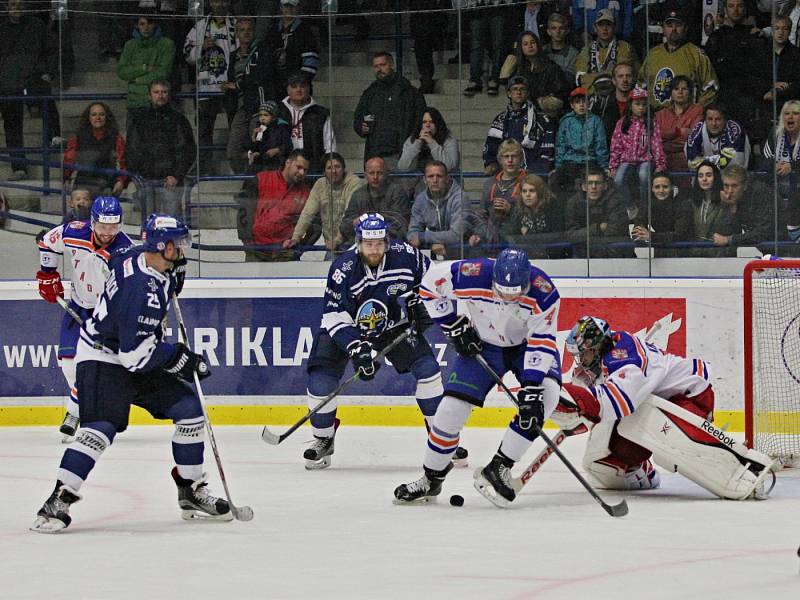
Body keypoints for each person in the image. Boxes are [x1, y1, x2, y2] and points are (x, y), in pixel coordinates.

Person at [30, 214, 232, 533]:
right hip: (103, 356)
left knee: (190, 410)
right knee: (100, 428)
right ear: (161, 246)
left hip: (132, 346)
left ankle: (190, 490)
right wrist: (182, 359)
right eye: (177, 246)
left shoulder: (134, 255)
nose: (182, 252)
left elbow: (117, 267)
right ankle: (58, 499)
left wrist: (171, 279)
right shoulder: (143, 290)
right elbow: (136, 357)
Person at [394, 248, 562, 507]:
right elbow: (428, 286)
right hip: (483, 345)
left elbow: (541, 341)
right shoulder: (471, 273)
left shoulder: (544, 291)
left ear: (528, 281)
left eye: (515, 291)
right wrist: (451, 323)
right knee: (448, 412)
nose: (508, 297)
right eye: (502, 290)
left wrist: (531, 387)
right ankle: (430, 478)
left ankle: (501, 466)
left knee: (544, 399)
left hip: (526, 347)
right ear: (492, 278)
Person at [300, 213, 464, 469]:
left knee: (428, 370)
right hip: (347, 329)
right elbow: (334, 316)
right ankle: (323, 439)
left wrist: (421, 300)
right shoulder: (343, 268)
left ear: (386, 241)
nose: (374, 249)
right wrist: (357, 348)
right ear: (359, 242)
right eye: (368, 244)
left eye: (379, 243)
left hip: (391, 326)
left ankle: (441, 438)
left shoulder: (406, 254)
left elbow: (436, 279)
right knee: (321, 379)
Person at [551, 316, 775, 500]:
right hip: (661, 404)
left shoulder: (624, 358)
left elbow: (618, 403)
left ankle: (745, 469)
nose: (580, 360)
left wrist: (577, 405)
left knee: (667, 434)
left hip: (690, 397)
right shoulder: (604, 357)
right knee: (605, 466)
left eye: (584, 354)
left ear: (598, 346)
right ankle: (642, 471)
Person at [36, 196, 134, 441]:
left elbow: (134, 286)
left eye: (113, 227)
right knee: (68, 362)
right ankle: (80, 403)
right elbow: (47, 242)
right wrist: (47, 274)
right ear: (92, 223)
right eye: (102, 227)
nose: (108, 233)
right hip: (79, 305)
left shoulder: (126, 250)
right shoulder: (74, 232)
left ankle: (75, 411)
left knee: (101, 367)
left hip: (107, 313)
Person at [0, 0, 59, 180]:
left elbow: (52, 49)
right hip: (8, 83)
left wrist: (50, 72)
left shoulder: (37, 26)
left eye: (18, 4)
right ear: (6, 8)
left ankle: (54, 136)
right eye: (12, 5)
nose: (16, 8)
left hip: (34, 77)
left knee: (47, 101)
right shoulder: (2, 29)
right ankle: (19, 167)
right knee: (12, 126)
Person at [126, 80, 197, 218]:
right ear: (149, 95)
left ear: (169, 95)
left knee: (172, 224)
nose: (160, 95)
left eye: (164, 92)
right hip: (145, 180)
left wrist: (176, 175)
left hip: (170, 181)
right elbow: (132, 149)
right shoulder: (139, 120)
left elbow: (187, 150)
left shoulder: (178, 120)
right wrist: (137, 175)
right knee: (149, 224)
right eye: (156, 92)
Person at [183, 0, 237, 174]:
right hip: (206, 87)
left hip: (229, 87)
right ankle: (204, 167)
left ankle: (238, 167)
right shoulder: (199, 26)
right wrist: (201, 46)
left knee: (236, 128)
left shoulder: (237, 25)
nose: (219, 3)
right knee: (204, 130)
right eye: (214, 0)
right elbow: (187, 54)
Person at [704, 0, 770, 135]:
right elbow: (709, 71)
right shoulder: (716, 37)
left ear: (745, 8)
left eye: (740, 6)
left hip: (749, 102)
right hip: (722, 100)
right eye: (731, 6)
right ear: (725, 9)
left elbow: (763, 71)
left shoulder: (756, 36)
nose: (735, 10)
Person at [353, 51, 427, 169]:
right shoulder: (369, 94)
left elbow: (420, 121)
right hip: (375, 154)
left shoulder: (410, 92)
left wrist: (412, 145)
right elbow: (358, 119)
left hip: (402, 153)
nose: (379, 69)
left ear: (392, 65)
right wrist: (361, 127)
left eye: (382, 65)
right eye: (376, 66)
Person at [637, 5, 718, 110]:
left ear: (685, 28)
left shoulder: (696, 54)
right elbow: (640, 86)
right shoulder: (653, 54)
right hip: (654, 118)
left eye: (678, 25)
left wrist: (694, 113)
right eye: (669, 25)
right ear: (663, 29)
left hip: (684, 120)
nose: (674, 29)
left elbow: (711, 88)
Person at [238, 149, 311, 261]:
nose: (302, 173)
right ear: (288, 163)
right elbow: (244, 211)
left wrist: (299, 248)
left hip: (286, 252)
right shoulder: (261, 179)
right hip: (256, 249)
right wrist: (247, 241)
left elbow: (315, 225)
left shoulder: (306, 192)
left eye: (305, 170)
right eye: (299, 167)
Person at [284, 152, 363, 254]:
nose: (334, 171)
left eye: (337, 167)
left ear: (343, 168)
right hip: (332, 245)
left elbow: (349, 215)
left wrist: (337, 240)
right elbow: (307, 213)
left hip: (353, 244)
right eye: (329, 168)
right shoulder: (320, 184)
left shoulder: (354, 182)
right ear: (324, 172)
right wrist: (295, 238)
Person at [224, 17, 276, 175]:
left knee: (258, 146)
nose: (246, 33)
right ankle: (246, 179)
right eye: (242, 30)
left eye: (249, 30)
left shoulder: (262, 51)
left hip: (259, 108)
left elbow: (261, 76)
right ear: (236, 34)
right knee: (233, 151)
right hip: (240, 108)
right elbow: (232, 80)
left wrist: (238, 85)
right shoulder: (233, 55)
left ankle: (255, 184)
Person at [608, 86, 668, 218]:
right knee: (618, 180)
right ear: (630, 105)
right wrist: (613, 165)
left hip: (645, 159)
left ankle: (644, 208)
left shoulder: (651, 122)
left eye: (644, 105)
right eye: (637, 104)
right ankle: (631, 207)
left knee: (643, 176)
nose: (641, 108)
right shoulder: (622, 123)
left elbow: (656, 144)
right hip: (627, 159)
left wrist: (660, 164)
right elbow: (616, 145)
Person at [482, 76, 557, 176]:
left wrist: (534, 172)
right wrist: (491, 163)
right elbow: (491, 146)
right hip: (507, 175)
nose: (519, 92)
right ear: (509, 93)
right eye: (515, 89)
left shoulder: (543, 120)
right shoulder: (500, 119)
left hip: (534, 178)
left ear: (528, 93)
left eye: (522, 89)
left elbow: (548, 151)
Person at [551, 87, 609, 202]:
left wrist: (604, 166)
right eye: (577, 102)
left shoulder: (596, 121)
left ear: (589, 103)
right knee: (556, 181)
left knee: (589, 184)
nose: (581, 105)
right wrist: (558, 167)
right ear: (572, 105)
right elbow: (560, 146)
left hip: (589, 161)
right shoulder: (566, 121)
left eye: (584, 101)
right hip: (570, 161)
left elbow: (600, 145)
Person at [470, 139, 528, 255]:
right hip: (491, 242)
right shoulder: (490, 184)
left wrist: (511, 210)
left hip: (518, 241)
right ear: (500, 160)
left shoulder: (529, 182)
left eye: (514, 156)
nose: (510, 160)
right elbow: (482, 215)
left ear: (521, 159)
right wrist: (480, 235)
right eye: (506, 156)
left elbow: (534, 216)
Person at [338, 157, 411, 246]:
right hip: (363, 245)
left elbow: (400, 224)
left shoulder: (397, 192)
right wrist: (354, 223)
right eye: (371, 173)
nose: (375, 177)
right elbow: (344, 226)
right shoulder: (358, 194)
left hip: (391, 244)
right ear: (365, 175)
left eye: (379, 173)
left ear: (386, 173)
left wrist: (366, 220)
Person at [63, 102, 128, 198]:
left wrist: (121, 181)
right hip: (82, 188)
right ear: (88, 117)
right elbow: (69, 160)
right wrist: (66, 178)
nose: (98, 118)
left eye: (101, 114)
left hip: (107, 187)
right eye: (94, 114)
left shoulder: (116, 138)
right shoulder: (77, 138)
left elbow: (124, 162)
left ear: (107, 117)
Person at [564, 166, 631, 257]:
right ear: (583, 186)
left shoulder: (616, 201)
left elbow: (616, 232)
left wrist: (584, 235)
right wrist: (598, 228)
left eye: (598, 183)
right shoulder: (573, 203)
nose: (593, 187)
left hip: (616, 255)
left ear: (605, 186)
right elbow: (570, 235)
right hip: (584, 256)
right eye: (590, 183)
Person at [276, 72, 337, 174]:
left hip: (312, 168)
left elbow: (330, 145)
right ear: (288, 89)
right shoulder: (277, 112)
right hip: (282, 167)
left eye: (302, 86)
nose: (298, 90)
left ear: (309, 88)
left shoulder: (320, 114)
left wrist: (329, 166)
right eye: (294, 86)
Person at [117, 14, 176, 119]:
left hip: (159, 103)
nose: (146, 28)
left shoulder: (167, 44)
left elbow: (163, 72)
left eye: (150, 23)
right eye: (142, 24)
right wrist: (144, 68)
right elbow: (122, 71)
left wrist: (138, 79)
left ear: (155, 24)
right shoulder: (129, 45)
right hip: (135, 103)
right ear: (137, 25)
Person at [408, 161, 469, 259]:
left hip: (463, 253)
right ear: (424, 180)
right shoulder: (420, 200)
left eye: (439, 176)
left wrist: (423, 237)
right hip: (435, 253)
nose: (435, 180)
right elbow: (412, 235)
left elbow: (457, 235)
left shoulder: (460, 197)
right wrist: (431, 246)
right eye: (430, 176)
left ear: (447, 179)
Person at [499, 173, 566, 259]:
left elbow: (554, 237)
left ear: (540, 192)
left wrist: (527, 233)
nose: (527, 195)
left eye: (532, 191)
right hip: (524, 256)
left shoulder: (553, 208)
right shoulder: (518, 209)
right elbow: (512, 236)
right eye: (524, 191)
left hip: (551, 257)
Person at [262, 0, 320, 95]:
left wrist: (298, 84)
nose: (289, 9)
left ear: (298, 8)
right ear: (281, 7)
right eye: (286, 6)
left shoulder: (305, 31)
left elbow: (310, 64)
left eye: (292, 6)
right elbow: (267, 60)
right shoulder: (273, 31)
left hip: (298, 90)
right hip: (276, 88)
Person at [713, 164, 777, 250]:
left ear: (745, 185)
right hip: (757, 248)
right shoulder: (727, 198)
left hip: (781, 246)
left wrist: (729, 240)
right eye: (726, 185)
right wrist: (731, 208)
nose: (729, 191)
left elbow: (763, 232)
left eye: (734, 186)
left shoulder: (761, 193)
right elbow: (722, 234)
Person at [574, 9, 639, 93]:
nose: (604, 28)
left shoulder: (625, 48)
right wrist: (608, 76)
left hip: (618, 97)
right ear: (595, 27)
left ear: (615, 27)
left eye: (608, 25)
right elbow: (581, 79)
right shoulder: (586, 49)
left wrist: (592, 78)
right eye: (601, 25)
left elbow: (622, 77)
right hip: (592, 98)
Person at [763, 99, 800, 241]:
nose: (790, 117)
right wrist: (774, 165)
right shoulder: (775, 134)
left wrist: (792, 166)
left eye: (795, 113)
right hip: (778, 191)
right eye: (787, 113)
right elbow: (764, 160)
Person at [631, 172, 693, 256]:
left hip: (683, 253)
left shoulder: (683, 204)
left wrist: (651, 236)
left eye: (665, 187)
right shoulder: (648, 204)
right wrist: (640, 233)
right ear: (652, 189)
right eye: (657, 187)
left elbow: (680, 234)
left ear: (671, 187)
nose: (661, 190)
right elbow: (637, 229)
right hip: (660, 251)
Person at [462, 0, 515, 97]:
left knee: (498, 44)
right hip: (477, 8)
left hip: (498, 7)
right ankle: (475, 80)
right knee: (476, 45)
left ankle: (495, 79)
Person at [653, 76, 704, 171]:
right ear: (671, 93)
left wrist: (664, 145)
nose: (680, 91)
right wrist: (678, 132)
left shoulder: (697, 110)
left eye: (684, 89)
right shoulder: (660, 114)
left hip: (686, 161)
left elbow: (692, 139)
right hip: (662, 162)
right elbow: (655, 138)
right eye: (676, 89)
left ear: (690, 92)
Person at [503, 31, 569, 104]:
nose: (530, 46)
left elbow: (562, 90)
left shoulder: (551, 67)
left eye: (533, 42)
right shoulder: (518, 69)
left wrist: (548, 99)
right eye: (525, 44)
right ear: (521, 47)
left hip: (546, 109)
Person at [685, 103, 751, 170]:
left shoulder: (734, 131)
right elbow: (692, 164)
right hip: (705, 176)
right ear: (705, 120)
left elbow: (735, 164)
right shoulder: (696, 131)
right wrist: (715, 161)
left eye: (718, 119)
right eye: (710, 119)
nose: (714, 124)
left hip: (732, 177)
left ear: (725, 120)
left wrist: (705, 161)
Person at [688, 160, 736, 252]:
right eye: (700, 176)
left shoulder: (724, 201)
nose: (704, 179)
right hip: (695, 255)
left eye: (708, 175)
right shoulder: (692, 202)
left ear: (716, 177)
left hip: (719, 254)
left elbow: (729, 228)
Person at [397, 108, 460, 175]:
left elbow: (449, 167)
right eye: (424, 122)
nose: (427, 125)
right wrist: (418, 143)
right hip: (419, 182)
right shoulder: (412, 139)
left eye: (431, 122)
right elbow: (402, 167)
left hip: (444, 181)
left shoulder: (448, 139)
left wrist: (432, 142)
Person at [590, 62, 635, 147]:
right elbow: (592, 134)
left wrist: (643, 150)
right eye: (620, 76)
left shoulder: (642, 104)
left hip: (635, 157)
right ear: (614, 81)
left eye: (628, 76)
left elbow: (646, 134)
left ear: (633, 79)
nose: (625, 80)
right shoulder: (601, 105)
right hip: (608, 156)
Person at [247, 100, 292, 173]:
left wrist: (277, 150)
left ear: (273, 117)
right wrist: (253, 138)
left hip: (278, 163)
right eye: (260, 115)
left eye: (266, 115)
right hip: (264, 163)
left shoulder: (282, 128)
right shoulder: (260, 128)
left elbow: (289, 146)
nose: (262, 118)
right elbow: (256, 148)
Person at [542, 12, 579, 81]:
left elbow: (569, 79)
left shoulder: (574, 54)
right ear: (548, 31)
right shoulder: (542, 51)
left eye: (561, 28)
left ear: (567, 31)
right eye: (554, 28)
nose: (558, 31)